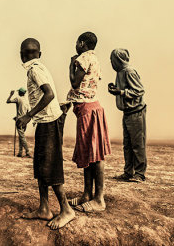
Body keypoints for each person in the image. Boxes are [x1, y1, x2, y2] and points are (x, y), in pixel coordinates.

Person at [16, 38, 75, 230]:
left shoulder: (35, 69)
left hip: (49, 122)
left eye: (30, 52)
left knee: (51, 167)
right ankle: (44, 208)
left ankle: (66, 210)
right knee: (41, 166)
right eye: (28, 52)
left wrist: (27, 116)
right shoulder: (38, 67)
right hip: (44, 122)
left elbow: (48, 94)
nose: (29, 55)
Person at [66, 32, 111, 213]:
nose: (75, 45)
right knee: (89, 154)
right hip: (90, 109)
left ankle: (99, 199)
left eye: (77, 42)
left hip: (88, 110)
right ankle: (87, 194)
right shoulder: (94, 58)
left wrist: (70, 65)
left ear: (82, 43)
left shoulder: (83, 58)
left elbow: (75, 83)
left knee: (96, 156)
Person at [109, 48, 147, 182]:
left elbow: (139, 90)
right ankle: (128, 172)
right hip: (128, 112)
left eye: (112, 59)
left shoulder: (129, 71)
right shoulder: (120, 72)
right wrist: (117, 90)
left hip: (136, 112)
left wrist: (121, 92)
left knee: (137, 144)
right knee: (128, 144)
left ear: (118, 59)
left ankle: (140, 174)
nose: (111, 62)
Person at [6, 87, 31, 157]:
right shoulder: (26, 101)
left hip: (19, 120)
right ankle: (20, 152)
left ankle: (27, 152)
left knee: (22, 137)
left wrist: (11, 95)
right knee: (21, 137)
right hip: (25, 121)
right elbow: (28, 112)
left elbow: (8, 101)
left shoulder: (18, 98)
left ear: (20, 93)